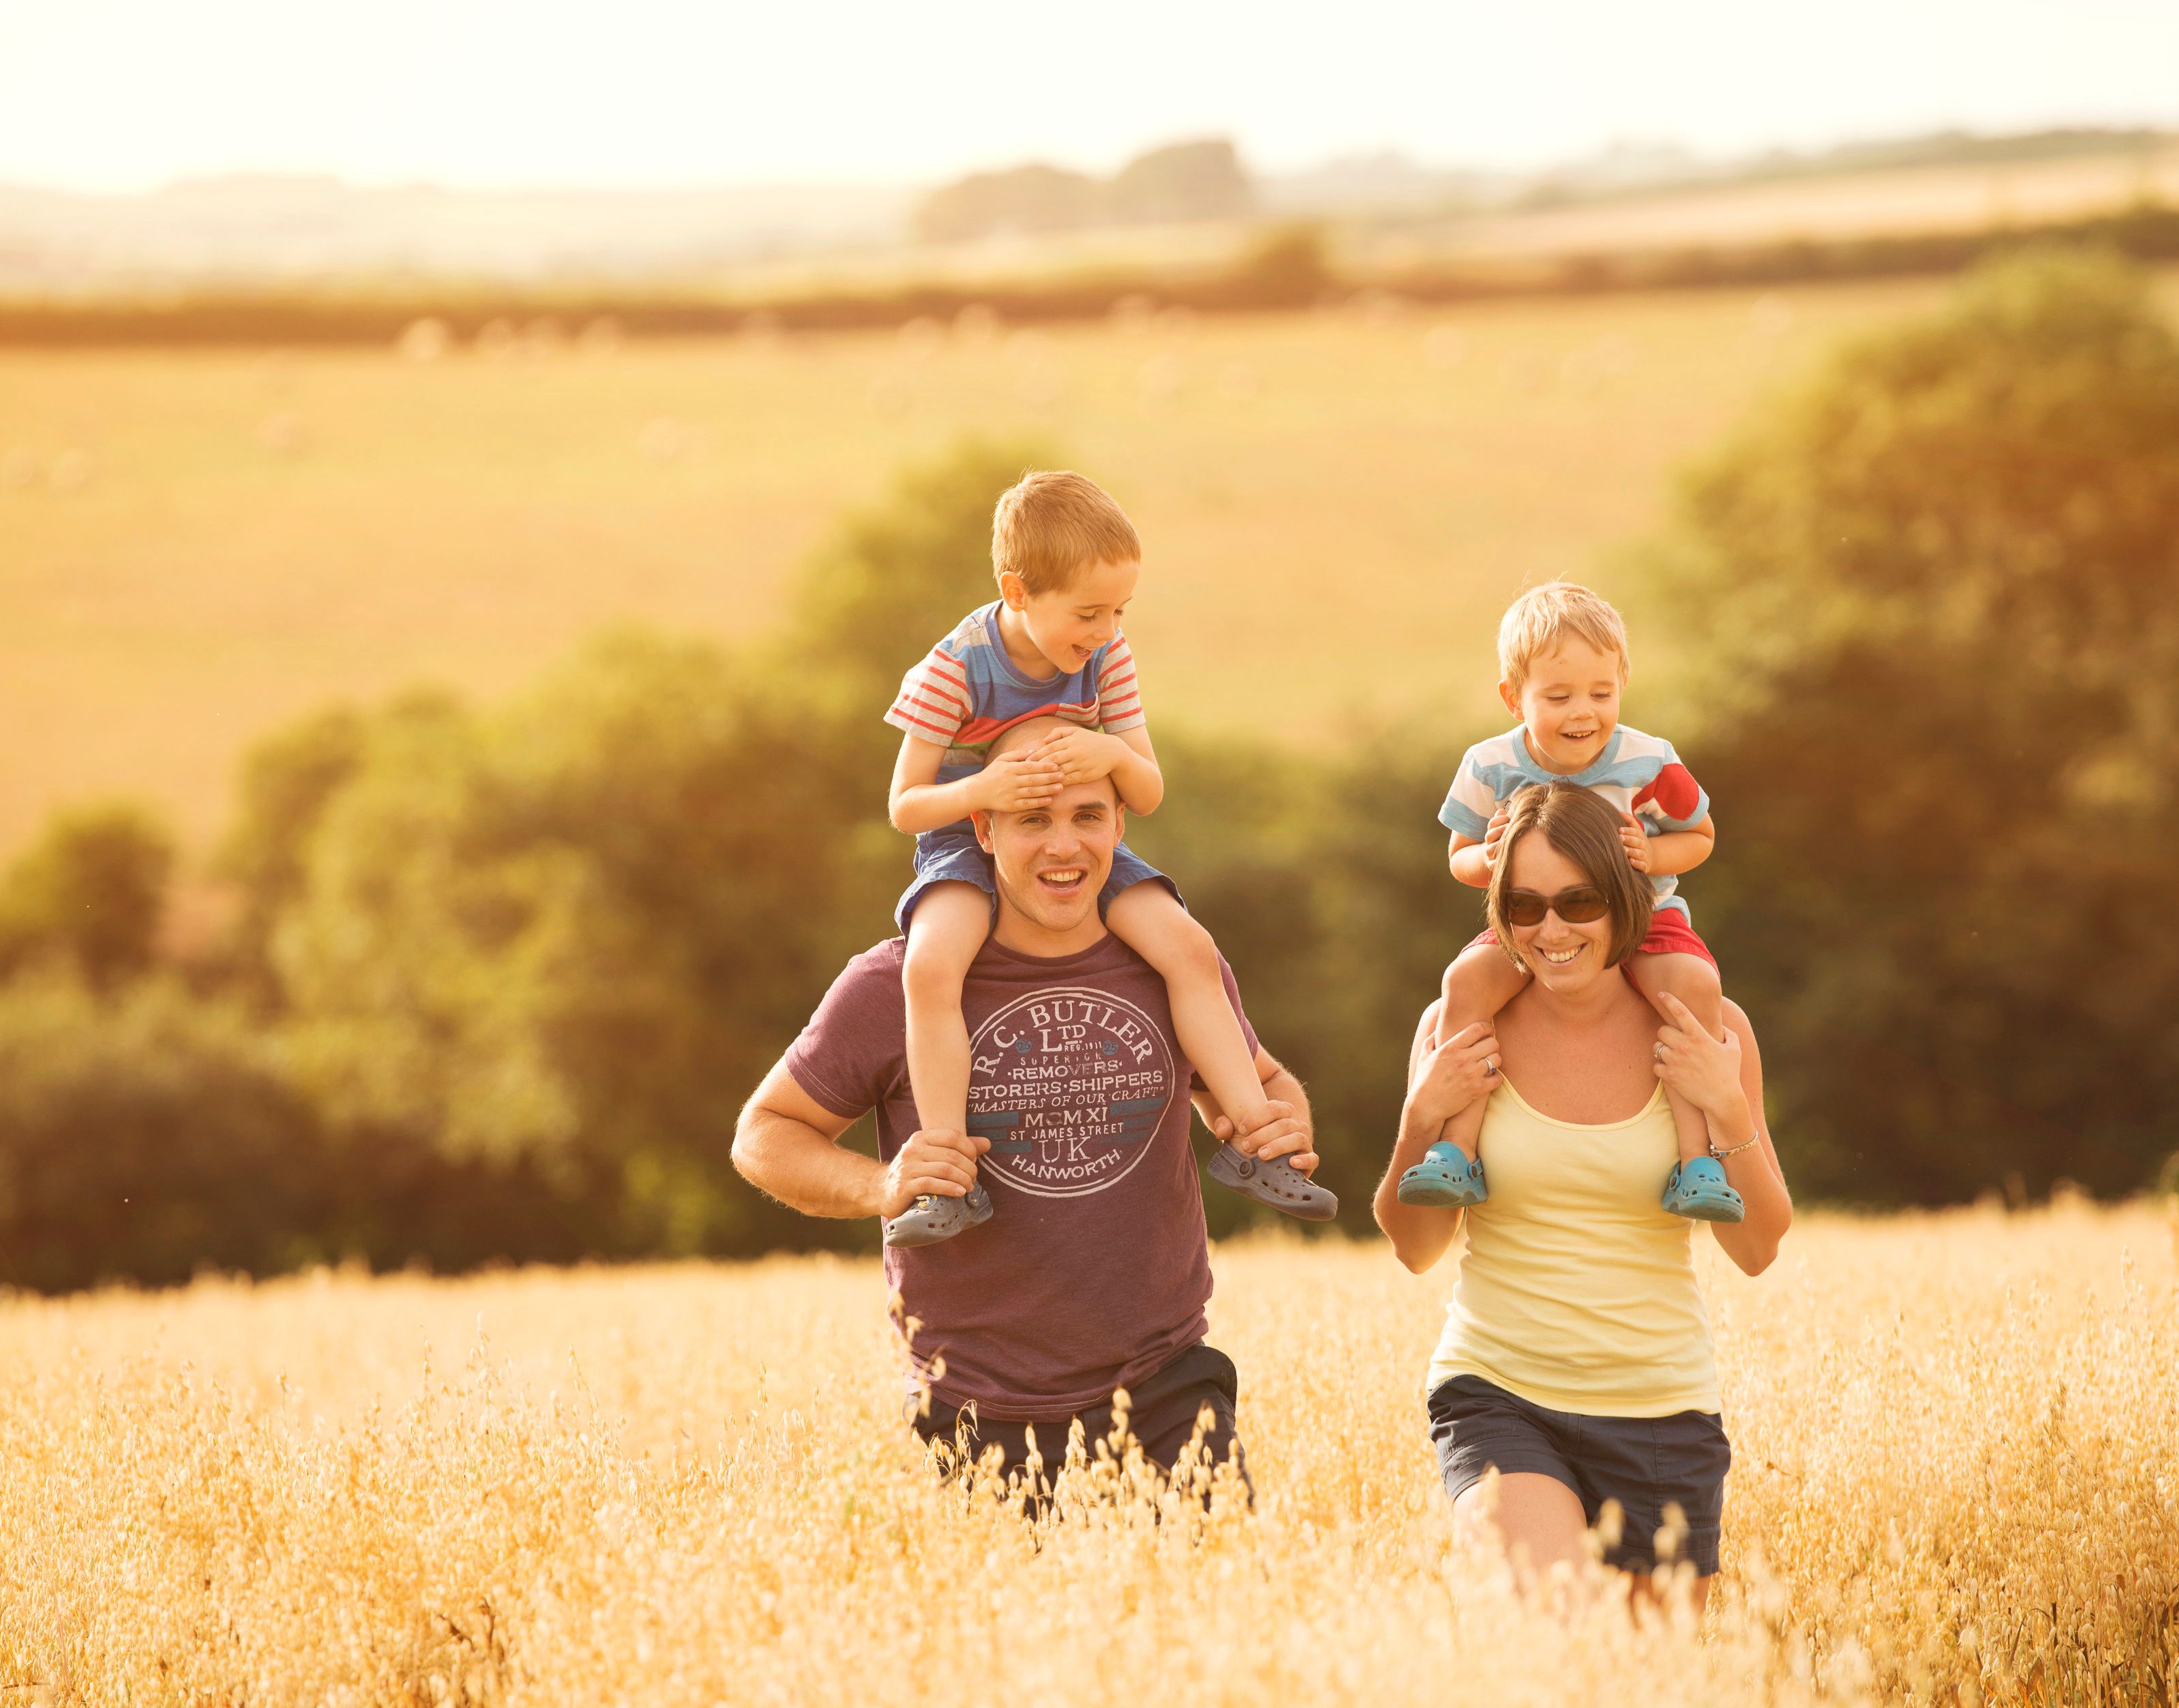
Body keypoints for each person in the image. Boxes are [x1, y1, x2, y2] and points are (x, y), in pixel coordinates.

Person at [734, 715, 1322, 1505]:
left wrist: (1282, 1119)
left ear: (1120, 820)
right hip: (974, 1406)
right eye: (1032, 819)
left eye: (1087, 816)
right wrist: (882, 1186)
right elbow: (765, 1134)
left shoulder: (1172, 962)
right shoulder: (897, 983)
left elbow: (1263, 1083)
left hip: (1166, 1387)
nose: (1064, 846)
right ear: (982, 826)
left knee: (1220, 1617)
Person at [877, 469, 1331, 1244]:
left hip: (1083, 828)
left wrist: (1101, 749)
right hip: (966, 832)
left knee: (1188, 946)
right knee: (929, 967)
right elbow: (905, 805)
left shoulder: (1108, 659)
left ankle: (1256, 1139)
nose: (1108, 629)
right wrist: (988, 785)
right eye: (1089, 613)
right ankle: (949, 1176)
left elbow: (1146, 790)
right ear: (1017, 593)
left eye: (1120, 609)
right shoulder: (954, 667)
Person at [1373, 782, 1793, 1609]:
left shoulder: (1712, 1028)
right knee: (1548, 1625)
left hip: (1663, 1406)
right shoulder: (1457, 1026)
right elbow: (1416, 1246)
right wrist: (1420, 1116)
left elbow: (1757, 1248)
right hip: (1498, 1392)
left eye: (1579, 901)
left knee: (1643, 1684)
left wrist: (1730, 1105)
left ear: (1628, 899)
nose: (1551, 931)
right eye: (1524, 905)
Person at [1396, 583, 1744, 1224]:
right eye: (1558, 697)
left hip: (1648, 914)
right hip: (1536, 923)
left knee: (1693, 984)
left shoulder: (1650, 761)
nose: (1583, 712)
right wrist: (1491, 857)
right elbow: (1458, 857)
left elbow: (1701, 835)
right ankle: (1456, 1149)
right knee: (1465, 980)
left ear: (1623, 683)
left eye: (1601, 693)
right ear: (1513, 696)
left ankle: (1699, 1161)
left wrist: (1653, 855)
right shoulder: (1491, 765)